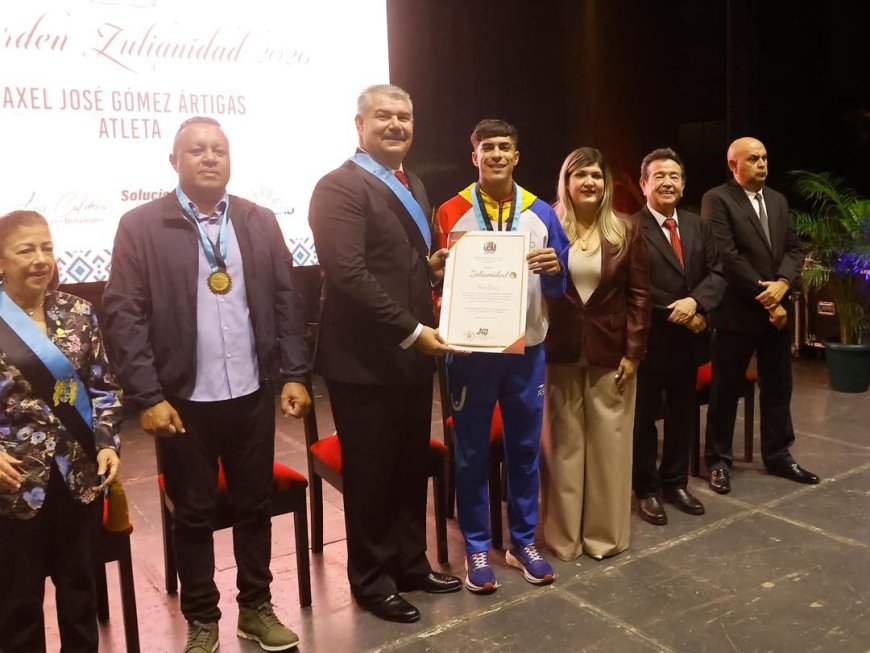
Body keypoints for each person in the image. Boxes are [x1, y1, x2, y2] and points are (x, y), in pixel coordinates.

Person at [103, 117, 311, 652]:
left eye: (219, 149)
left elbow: (287, 301)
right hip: (181, 401)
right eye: (196, 150)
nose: (210, 158)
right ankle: (202, 617)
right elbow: (123, 314)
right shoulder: (141, 225)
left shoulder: (258, 219)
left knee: (254, 505)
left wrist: (293, 373)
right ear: (174, 161)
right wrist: (146, 396)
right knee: (192, 514)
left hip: (250, 392)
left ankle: (256, 609)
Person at [308, 84, 462, 624]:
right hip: (364, 363)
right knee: (372, 476)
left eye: (405, 117)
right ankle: (372, 581)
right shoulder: (338, 187)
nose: (396, 125)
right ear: (360, 124)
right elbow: (349, 274)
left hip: (410, 357)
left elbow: (399, 262)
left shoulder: (411, 182)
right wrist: (412, 328)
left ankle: (410, 563)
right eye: (384, 117)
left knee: (407, 465)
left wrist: (434, 266)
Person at [437, 119, 569, 593]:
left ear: (517, 156)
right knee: (471, 452)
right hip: (471, 351)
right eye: (487, 147)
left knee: (525, 449)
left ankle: (521, 542)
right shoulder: (451, 211)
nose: (496, 154)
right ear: (474, 157)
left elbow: (559, 283)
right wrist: (436, 277)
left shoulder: (541, 213)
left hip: (526, 349)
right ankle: (476, 545)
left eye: (504, 147)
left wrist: (555, 269)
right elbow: (437, 283)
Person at [0, 210, 122, 653]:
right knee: (17, 605)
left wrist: (107, 444)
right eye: (25, 250)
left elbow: (104, 389)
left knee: (79, 595)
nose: (39, 259)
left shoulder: (79, 313)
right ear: (0, 260)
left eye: (46, 248)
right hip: (14, 486)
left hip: (78, 479)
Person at [542, 147, 651, 561]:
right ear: (566, 183)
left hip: (613, 354)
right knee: (564, 448)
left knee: (610, 449)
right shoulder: (547, 227)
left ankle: (605, 537)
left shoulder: (626, 229)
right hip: (560, 352)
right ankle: (564, 540)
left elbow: (640, 296)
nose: (590, 182)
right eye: (580, 174)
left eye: (597, 175)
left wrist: (634, 352)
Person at [702, 137, 819, 494]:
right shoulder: (717, 199)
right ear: (733, 165)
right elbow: (727, 256)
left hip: (776, 311)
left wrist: (783, 283)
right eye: (753, 159)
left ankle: (778, 453)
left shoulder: (779, 201)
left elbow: (794, 249)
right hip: (738, 310)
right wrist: (769, 296)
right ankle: (718, 461)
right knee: (725, 389)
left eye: (765, 158)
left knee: (779, 385)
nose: (762, 164)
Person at [631, 148, 726, 525]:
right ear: (644, 184)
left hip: (691, 339)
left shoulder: (698, 225)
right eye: (659, 176)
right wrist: (681, 312)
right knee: (643, 418)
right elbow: (634, 287)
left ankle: (675, 481)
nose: (667, 182)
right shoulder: (629, 227)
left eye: (674, 176)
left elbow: (718, 273)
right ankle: (647, 488)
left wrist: (696, 303)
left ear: (683, 185)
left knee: (683, 413)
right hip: (651, 337)